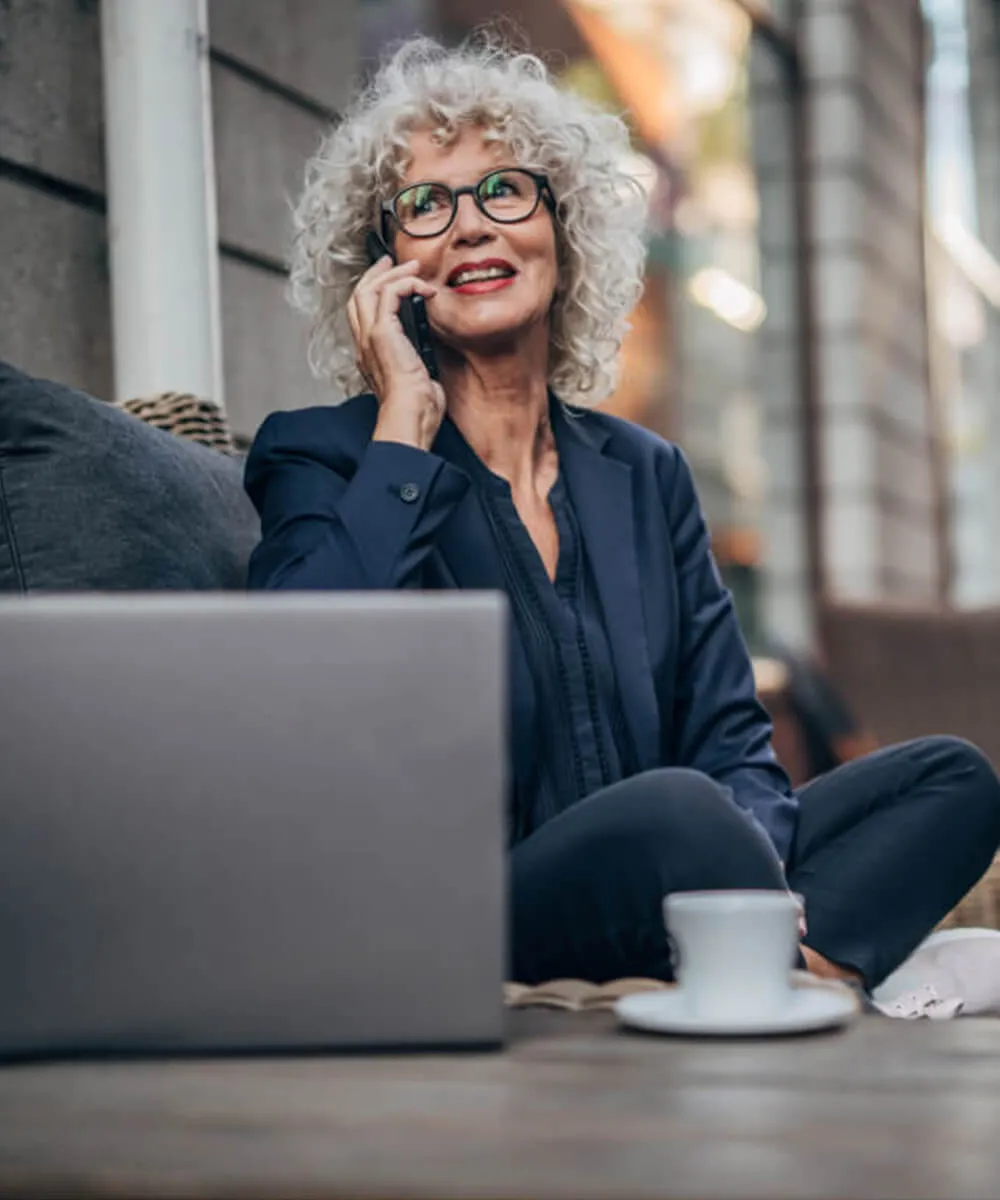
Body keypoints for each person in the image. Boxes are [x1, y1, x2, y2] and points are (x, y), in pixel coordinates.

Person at [244, 35, 1000, 994]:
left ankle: (775, 965)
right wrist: (402, 431)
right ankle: (795, 975)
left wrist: (757, 875)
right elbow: (293, 690)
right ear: (381, 267)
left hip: (680, 874)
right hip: (474, 902)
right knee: (679, 815)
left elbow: (733, 742)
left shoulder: (646, 474)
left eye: (504, 191)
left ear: (563, 234)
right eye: (425, 207)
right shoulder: (327, 455)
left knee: (950, 777)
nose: (469, 226)